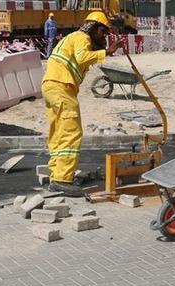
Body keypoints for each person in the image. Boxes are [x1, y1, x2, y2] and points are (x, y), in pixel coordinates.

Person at [43, 11, 121, 197]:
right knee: (72, 131)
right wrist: (107, 51)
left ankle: (56, 175)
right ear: (93, 28)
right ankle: (62, 179)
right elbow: (81, 57)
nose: (104, 36)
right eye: (103, 32)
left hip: (52, 86)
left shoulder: (74, 38)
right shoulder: (81, 37)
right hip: (61, 87)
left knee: (59, 132)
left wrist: (102, 51)